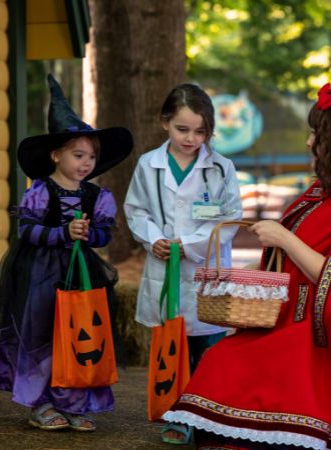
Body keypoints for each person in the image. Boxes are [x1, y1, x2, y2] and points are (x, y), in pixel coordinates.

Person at [163, 84, 331, 450]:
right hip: (289, 318)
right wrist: (257, 265)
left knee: (230, 361)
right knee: (222, 357)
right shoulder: (328, 190)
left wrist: (285, 240)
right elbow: (294, 256)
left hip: (324, 334)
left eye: (316, 134)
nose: (308, 142)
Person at [0, 75, 132, 432]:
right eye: (78, 155)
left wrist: (88, 234)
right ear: (56, 154)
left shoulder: (98, 197)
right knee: (42, 334)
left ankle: (75, 400)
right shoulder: (41, 191)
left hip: (80, 273)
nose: (86, 163)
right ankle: (42, 403)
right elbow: (27, 231)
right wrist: (61, 232)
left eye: (91, 157)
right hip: (40, 273)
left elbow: (100, 236)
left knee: (79, 333)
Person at [124, 83, 242, 444]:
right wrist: (154, 239)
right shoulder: (149, 165)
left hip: (206, 272)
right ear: (164, 124)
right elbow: (136, 209)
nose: (192, 138)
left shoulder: (221, 168)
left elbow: (230, 217)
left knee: (209, 352)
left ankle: (208, 418)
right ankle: (177, 414)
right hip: (166, 270)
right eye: (182, 129)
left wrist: (187, 244)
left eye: (201, 131)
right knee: (172, 353)